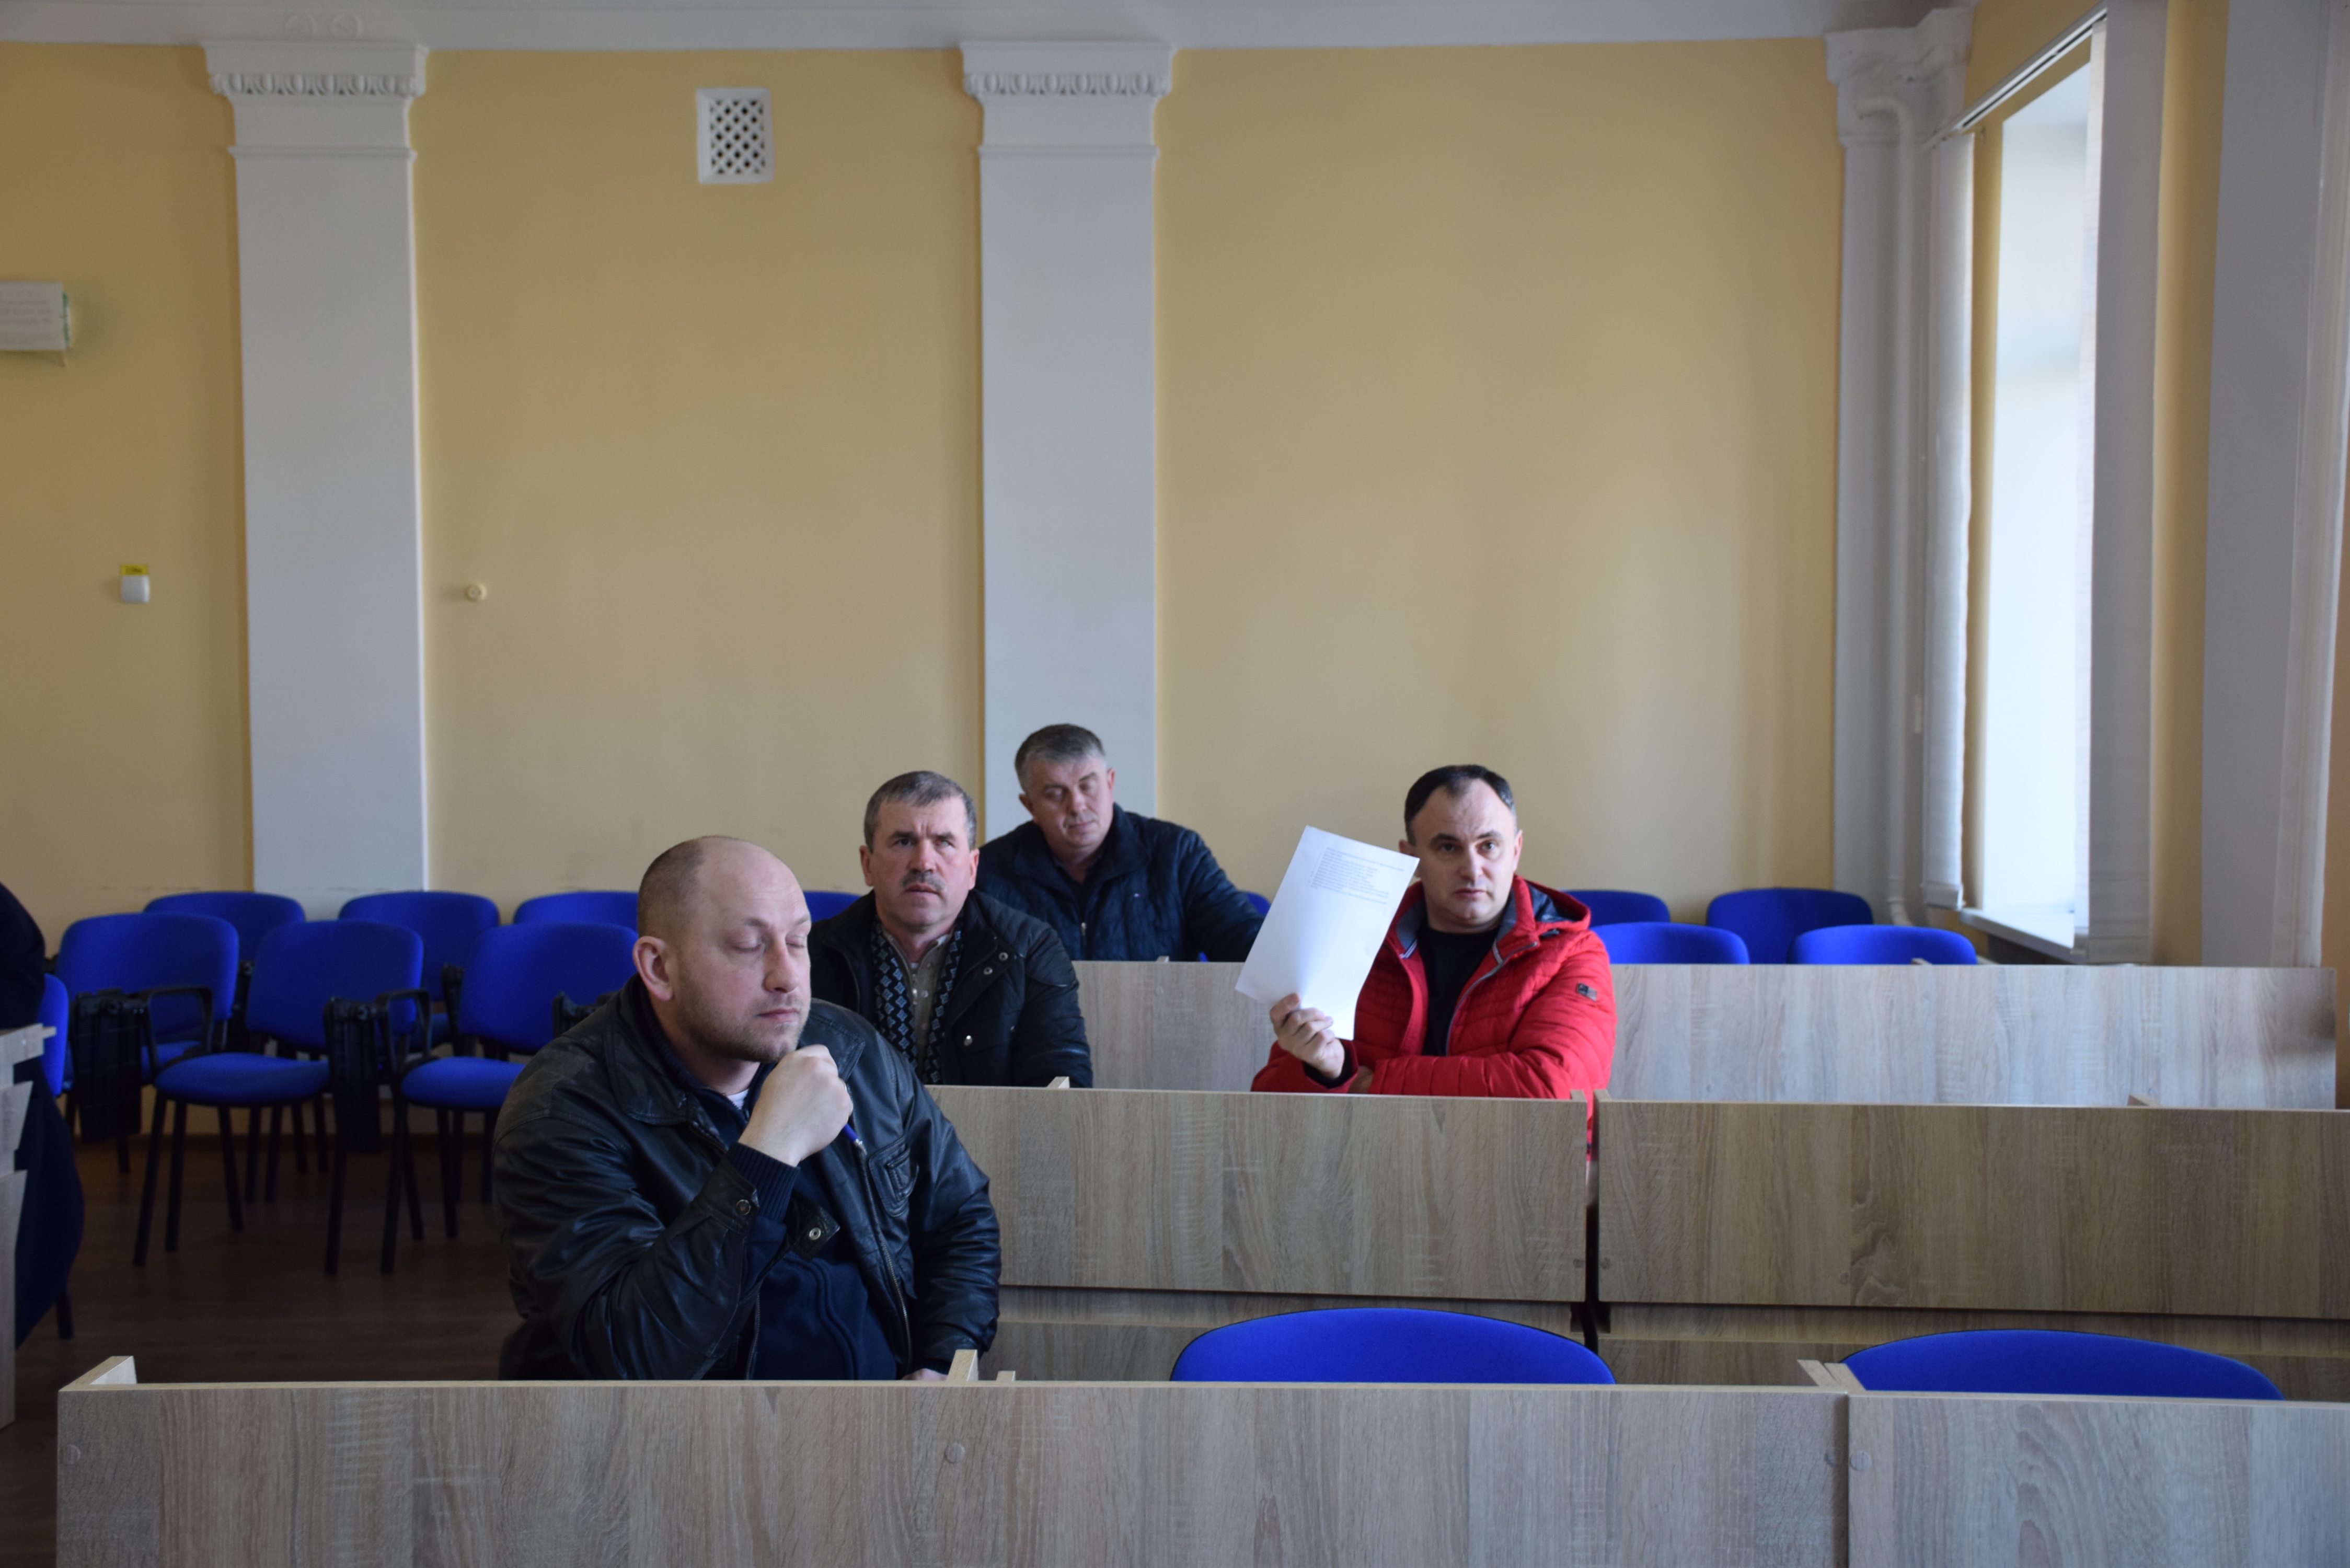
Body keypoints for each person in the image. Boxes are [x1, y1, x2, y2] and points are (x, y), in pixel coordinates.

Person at [493, 836, 999, 1381]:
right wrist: (768, 1153)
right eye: (748, 945)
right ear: (659, 968)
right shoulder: (560, 1111)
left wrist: (942, 1360)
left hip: (882, 1413)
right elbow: (637, 1355)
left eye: (798, 941)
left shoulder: (852, 1050)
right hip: (703, 1429)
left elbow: (959, 1215)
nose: (788, 976)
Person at [1251, 765, 1615, 1099]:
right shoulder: (1353, 942)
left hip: (1514, 1151)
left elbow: (1552, 1090)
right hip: (1376, 1148)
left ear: (1516, 850)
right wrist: (1328, 1073)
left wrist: (1368, 1084)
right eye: (1448, 848)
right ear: (1411, 859)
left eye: (1489, 846)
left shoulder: (1572, 952)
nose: (1472, 869)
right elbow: (1269, 1100)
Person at [811, 771, 1091, 1088]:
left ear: (972, 868)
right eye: (904, 842)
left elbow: (1063, 1086)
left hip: (988, 1122)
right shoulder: (812, 953)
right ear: (867, 864)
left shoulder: (1031, 949)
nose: (923, 863)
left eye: (944, 842)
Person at [977, 723, 1262, 963]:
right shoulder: (989, 872)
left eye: (1088, 786)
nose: (1077, 805)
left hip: (1156, 1014)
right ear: (1030, 806)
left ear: (1110, 783)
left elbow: (1240, 935)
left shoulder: (1176, 853)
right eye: (1055, 794)